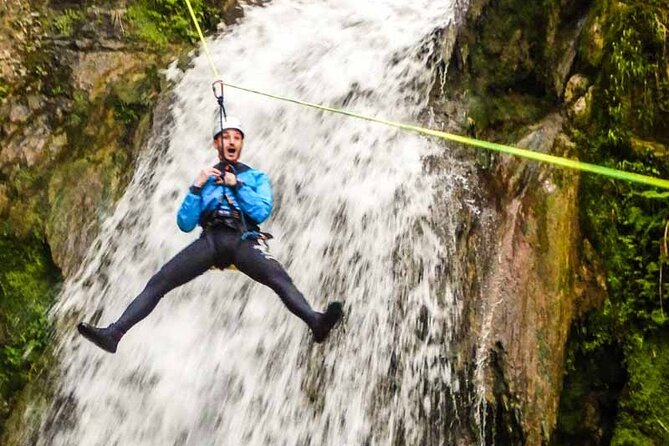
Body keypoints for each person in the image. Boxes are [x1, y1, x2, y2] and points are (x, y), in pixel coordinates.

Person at [77, 117, 343, 353]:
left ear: (242, 144)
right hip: (211, 241)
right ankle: (114, 333)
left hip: (244, 241)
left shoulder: (256, 177)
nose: (232, 142)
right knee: (159, 282)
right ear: (216, 143)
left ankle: (315, 322)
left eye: (237, 138)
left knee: (280, 279)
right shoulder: (205, 179)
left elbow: (261, 211)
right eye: (226, 137)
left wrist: (236, 184)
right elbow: (185, 223)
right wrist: (196, 187)